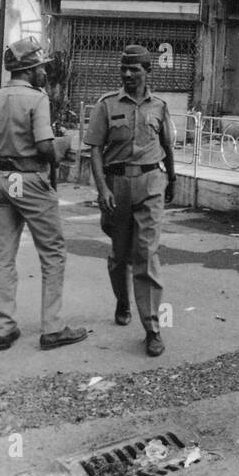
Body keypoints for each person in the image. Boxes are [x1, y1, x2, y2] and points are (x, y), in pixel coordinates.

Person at [0, 37, 87, 352]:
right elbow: (44, 148)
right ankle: (52, 328)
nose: (44, 73)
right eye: (40, 67)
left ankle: (4, 328)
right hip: (30, 179)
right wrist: (66, 144)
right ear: (29, 69)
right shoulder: (37, 99)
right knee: (52, 253)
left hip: (0, 179)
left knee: (4, 255)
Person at [84, 45, 177, 357]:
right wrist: (102, 190)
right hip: (117, 184)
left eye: (134, 69)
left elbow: (166, 145)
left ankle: (152, 328)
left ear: (147, 71)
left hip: (151, 182)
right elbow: (95, 148)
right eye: (123, 68)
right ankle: (122, 300)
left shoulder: (160, 106)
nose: (127, 74)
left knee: (147, 254)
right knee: (119, 254)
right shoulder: (106, 105)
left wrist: (172, 178)